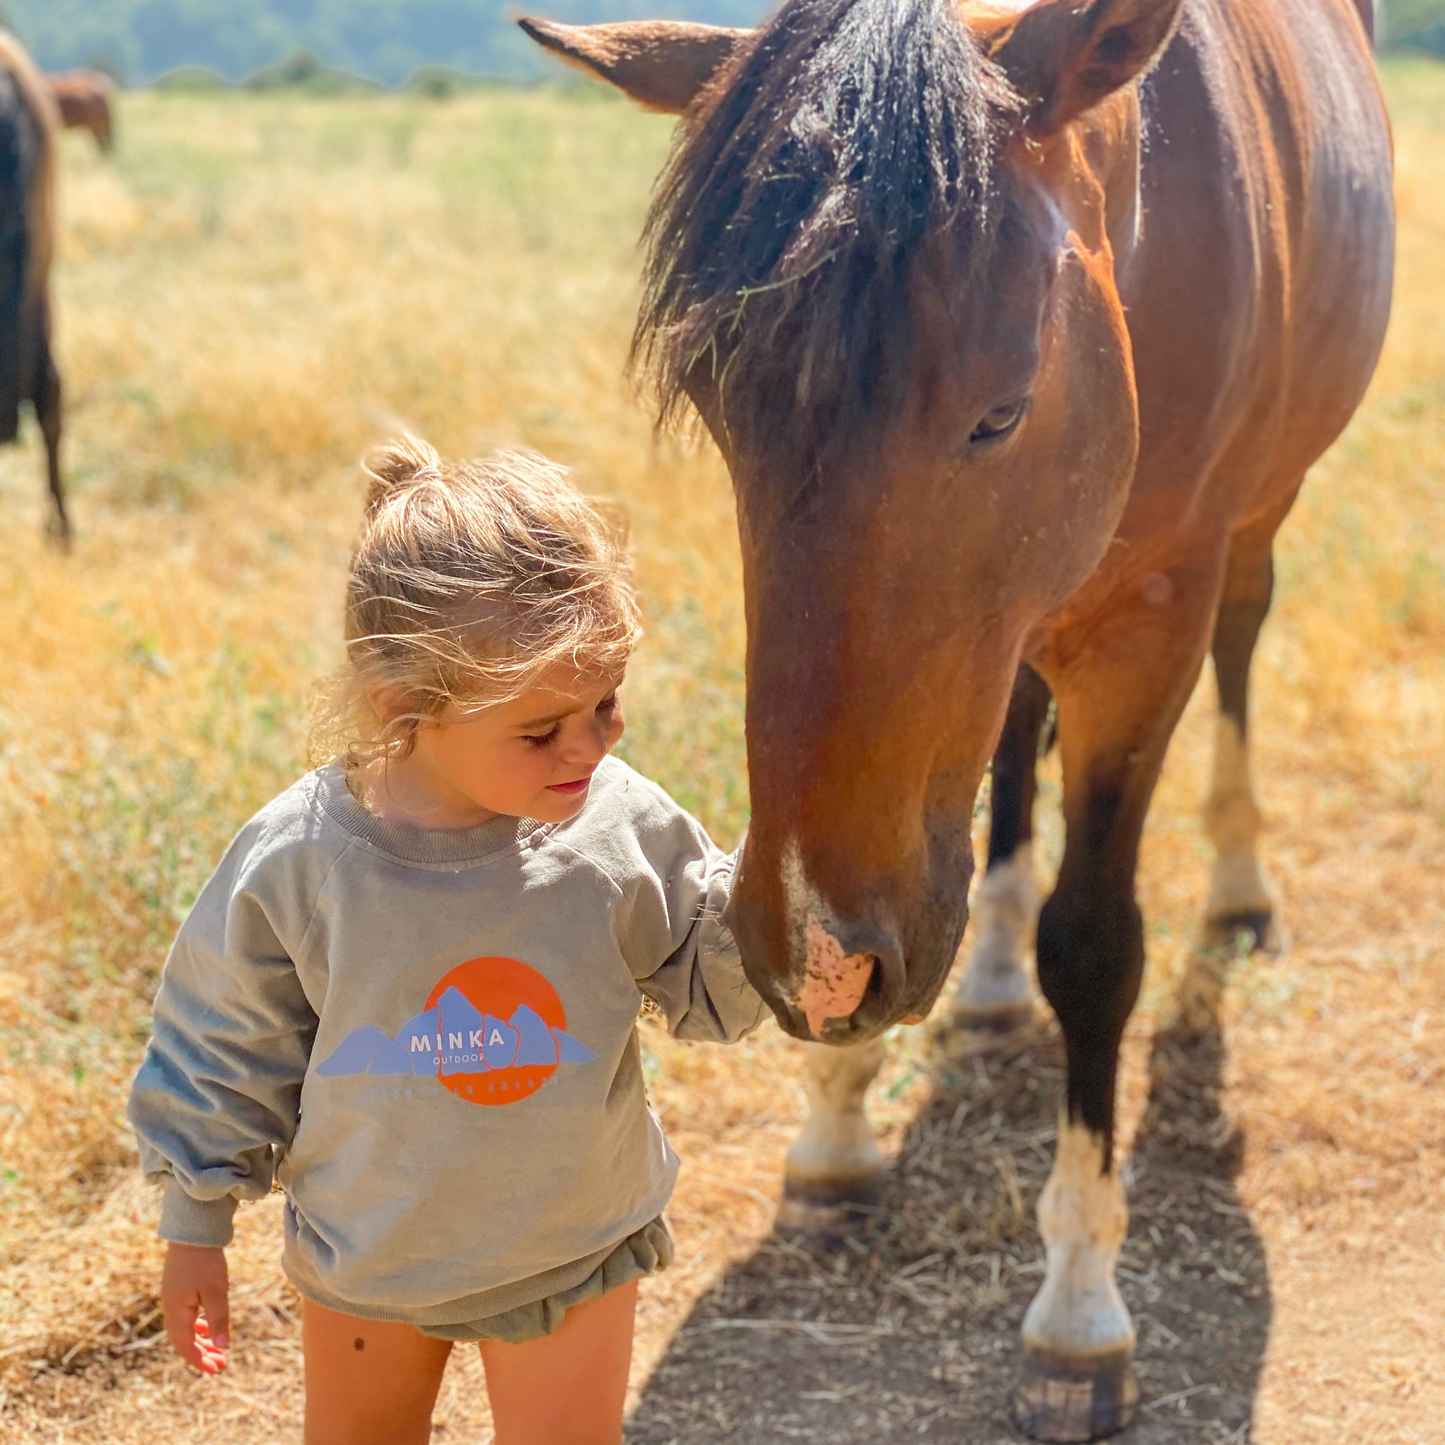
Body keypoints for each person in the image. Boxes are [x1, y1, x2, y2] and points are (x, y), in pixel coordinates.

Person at [126, 437, 768, 1445]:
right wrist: (195, 1223)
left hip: (572, 1248)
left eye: (605, 706)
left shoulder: (615, 822)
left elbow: (711, 973)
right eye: (541, 727)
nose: (590, 745)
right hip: (371, 1263)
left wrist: (793, 916)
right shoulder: (302, 860)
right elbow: (222, 1042)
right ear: (405, 709)